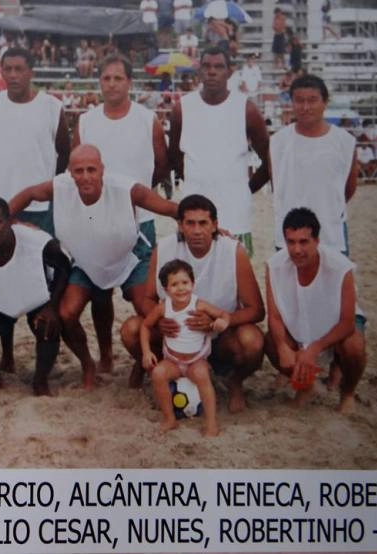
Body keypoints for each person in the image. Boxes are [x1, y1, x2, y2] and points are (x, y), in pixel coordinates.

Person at [9, 144, 179, 390]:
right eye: (78, 171)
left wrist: (211, 223)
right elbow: (29, 194)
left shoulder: (125, 188)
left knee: (149, 310)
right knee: (66, 314)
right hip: (86, 261)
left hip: (129, 256)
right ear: (69, 172)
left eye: (91, 169)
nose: (86, 176)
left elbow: (169, 208)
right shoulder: (60, 186)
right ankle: (88, 364)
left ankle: (141, 361)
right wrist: (5, 218)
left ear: (102, 170)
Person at [121, 194, 265, 412]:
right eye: (190, 223)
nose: (197, 230)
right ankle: (149, 367)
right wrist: (162, 320)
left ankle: (235, 382)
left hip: (219, 337)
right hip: (176, 335)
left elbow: (257, 310)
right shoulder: (165, 248)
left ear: (215, 225)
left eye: (203, 223)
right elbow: (148, 299)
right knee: (131, 329)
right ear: (180, 225)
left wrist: (217, 321)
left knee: (252, 340)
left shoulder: (233, 251)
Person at [72, 54, 169, 373]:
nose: (112, 84)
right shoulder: (87, 121)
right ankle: (105, 355)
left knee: (144, 300)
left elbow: (160, 165)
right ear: (99, 82)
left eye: (118, 78)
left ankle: (149, 357)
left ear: (130, 82)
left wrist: (134, 198)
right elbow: (73, 168)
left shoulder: (147, 119)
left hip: (140, 220)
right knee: (100, 295)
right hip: (95, 222)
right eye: (106, 78)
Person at [0, 197, 72, 397]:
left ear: (10, 221)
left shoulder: (38, 242)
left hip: (34, 297)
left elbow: (64, 266)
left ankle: (40, 381)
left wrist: (52, 306)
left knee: (48, 325)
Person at [169, 47, 270, 255]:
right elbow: (175, 158)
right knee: (190, 280)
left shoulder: (246, 109)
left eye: (218, 67)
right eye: (206, 66)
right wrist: (194, 180)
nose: (212, 72)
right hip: (193, 215)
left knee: (235, 280)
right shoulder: (182, 109)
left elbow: (269, 161)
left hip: (235, 214)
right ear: (199, 70)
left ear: (230, 72)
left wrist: (246, 189)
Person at [265, 207, 366, 414]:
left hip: (335, 326)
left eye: (304, 241)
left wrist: (314, 348)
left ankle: (347, 393)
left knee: (354, 345)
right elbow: (274, 316)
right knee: (272, 343)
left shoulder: (340, 267)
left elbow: (347, 321)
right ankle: (307, 385)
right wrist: (284, 347)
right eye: (291, 242)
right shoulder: (274, 266)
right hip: (298, 322)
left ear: (317, 241)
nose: (297, 250)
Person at [0, 47, 70, 236]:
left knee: (40, 261)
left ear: (31, 72)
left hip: (39, 206)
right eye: (8, 69)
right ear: (2, 71)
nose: (13, 75)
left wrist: (46, 187)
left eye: (19, 69)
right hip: (0, 202)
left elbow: (64, 152)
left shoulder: (52, 107)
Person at [269, 74, 357, 256]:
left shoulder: (345, 142)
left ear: (324, 102)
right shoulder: (278, 142)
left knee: (334, 284)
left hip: (331, 233)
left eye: (312, 100)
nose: (306, 107)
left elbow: (348, 189)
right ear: (291, 103)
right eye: (299, 101)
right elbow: (277, 185)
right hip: (289, 236)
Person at [140, 259, 229, 435]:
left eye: (185, 283)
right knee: (158, 374)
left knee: (202, 376)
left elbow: (223, 314)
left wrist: (221, 323)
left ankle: (211, 423)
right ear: (166, 290)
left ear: (193, 284)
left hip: (196, 360)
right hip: (172, 360)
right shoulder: (163, 307)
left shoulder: (199, 304)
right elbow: (145, 326)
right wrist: (146, 352)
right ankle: (169, 418)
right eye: (174, 284)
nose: (181, 288)